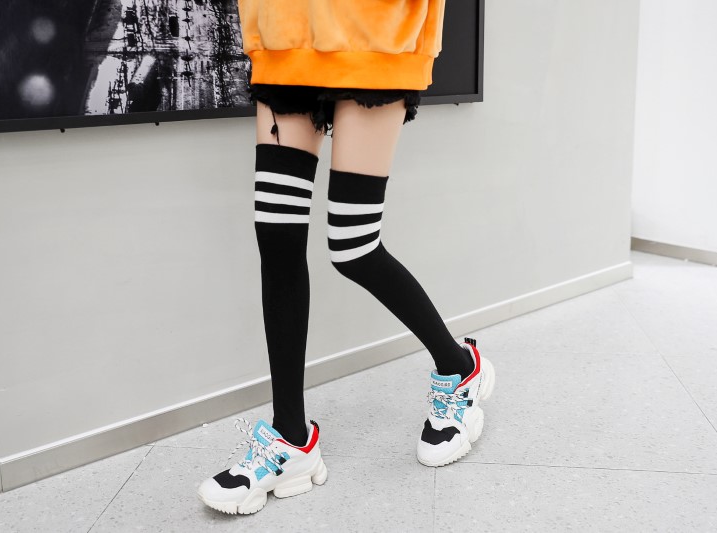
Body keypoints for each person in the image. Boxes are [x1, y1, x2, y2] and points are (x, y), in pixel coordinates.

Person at [197, 0, 495, 515]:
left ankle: (458, 365)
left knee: (354, 245)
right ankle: (291, 438)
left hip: (370, 37)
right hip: (285, 34)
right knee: (277, 241)